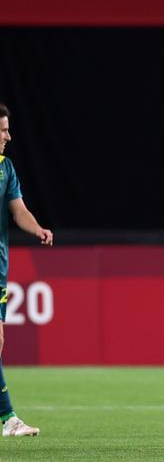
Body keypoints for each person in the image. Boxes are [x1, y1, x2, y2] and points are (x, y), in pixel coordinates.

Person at [0, 103, 53, 437]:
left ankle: (8, 419)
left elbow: (17, 210)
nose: (8, 136)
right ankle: (8, 419)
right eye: (2, 130)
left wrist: (36, 229)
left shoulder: (6, 168)